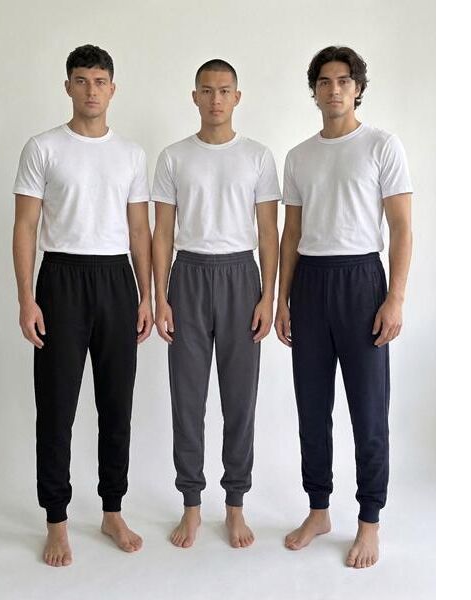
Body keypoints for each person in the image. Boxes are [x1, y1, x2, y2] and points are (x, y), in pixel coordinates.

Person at [11, 44, 153, 566]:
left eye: (99, 81)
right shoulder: (43, 147)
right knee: (56, 408)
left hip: (116, 279)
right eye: (81, 80)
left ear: (112, 89)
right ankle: (57, 520)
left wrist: (147, 294)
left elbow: (139, 230)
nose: (91, 90)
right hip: (61, 280)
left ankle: (113, 510)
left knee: (117, 405)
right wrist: (26, 298)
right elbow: (26, 225)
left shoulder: (131, 154)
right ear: (67, 86)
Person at [274, 46, 413, 568]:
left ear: (358, 88)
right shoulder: (299, 156)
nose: (334, 89)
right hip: (310, 284)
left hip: (362, 283)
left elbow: (401, 227)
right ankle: (318, 510)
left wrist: (394, 297)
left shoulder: (381, 145)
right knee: (312, 408)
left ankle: (369, 521)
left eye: (344, 80)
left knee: (369, 412)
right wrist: (283, 299)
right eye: (324, 81)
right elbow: (291, 234)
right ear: (314, 91)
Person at [152, 59, 280, 549]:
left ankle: (234, 505)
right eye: (206, 90)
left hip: (240, 277)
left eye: (224, 90)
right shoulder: (173, 157)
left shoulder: (258, 157)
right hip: (188, 275)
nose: (215, 99)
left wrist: (268, 296)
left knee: (239, 400)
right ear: (195, 97)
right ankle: (191, 505)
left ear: (237, 97)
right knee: (187, 399)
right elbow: (162, 233)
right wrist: (160, 295)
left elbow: (268, 233)